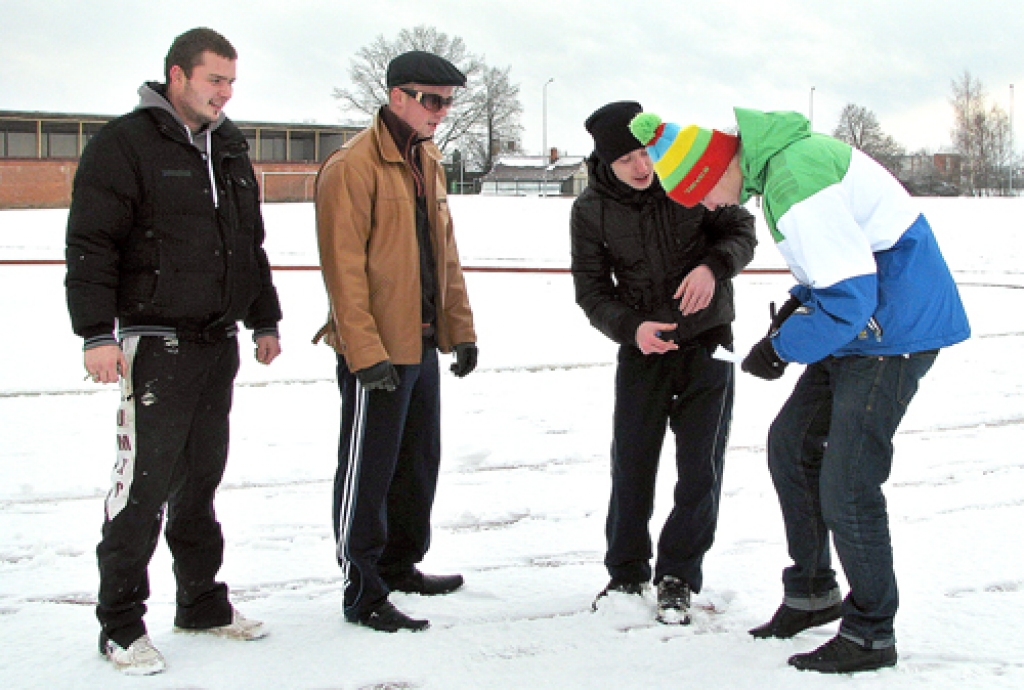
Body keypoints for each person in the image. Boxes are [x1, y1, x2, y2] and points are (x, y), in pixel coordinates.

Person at [629, 108, 970, 672]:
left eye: (704, 197)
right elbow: (840, 269)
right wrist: (799, 307)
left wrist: (782, 347)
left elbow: (852, 295)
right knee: (791, 444)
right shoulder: (781, 169)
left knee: (848, 483)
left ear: (712, 173)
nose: (712, 209)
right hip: (863, 326)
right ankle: (812, 592)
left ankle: (870, 632)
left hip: (892, 331)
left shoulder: (793, 178)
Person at [65, 27, 282, 675]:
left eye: (232, 81)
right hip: (153, 344)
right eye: (215, 79)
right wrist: (95, 334)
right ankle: (121, 625)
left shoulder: (231, 148)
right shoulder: (125, 144)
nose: (225, 92)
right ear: (177, 75)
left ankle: (201, 602)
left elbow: (251, 244)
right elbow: (91, 244)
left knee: (200, 485)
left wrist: (263, 317)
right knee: (142, 488)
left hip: (217, 343)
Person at [570, 101, 757, 625]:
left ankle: (678, 575)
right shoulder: (589, 210)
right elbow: (590, 291)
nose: (639, 167)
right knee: (632, 464)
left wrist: (712, 267)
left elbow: (741, 231)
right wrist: (631, 329)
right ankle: (626, 574)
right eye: (625, 158)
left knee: (701, 468)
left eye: (643, 153)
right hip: (643, 351)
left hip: (708, 342)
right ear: (604, 162)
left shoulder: (688, 177)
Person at [314, 50, 478, 633]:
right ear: (397, 96)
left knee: (416, 463)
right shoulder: (351, 166)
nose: (441, 112)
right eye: (432, 100)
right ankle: (363, 589)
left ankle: (400, 564)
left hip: (422, 340)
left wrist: (460, 331)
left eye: (447, 101)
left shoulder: (425, 159)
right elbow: (343, 273)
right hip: (377, 350)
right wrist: (364, 354)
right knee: (369, 469)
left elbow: (444, 257)